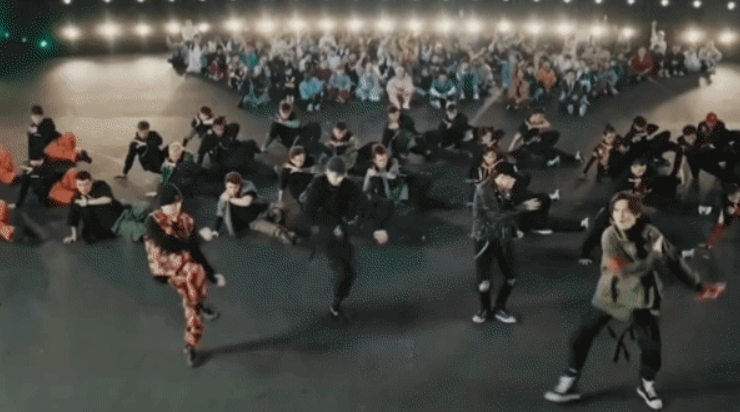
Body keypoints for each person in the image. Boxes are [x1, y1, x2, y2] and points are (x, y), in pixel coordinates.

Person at [544, 191, 722, 410]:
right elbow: (625, 270)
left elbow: (674, 261)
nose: (620, 215)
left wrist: (699, 286)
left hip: (641, 297)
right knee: (582, 334)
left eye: (626, 211)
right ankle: (569, 380)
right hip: (610, 294)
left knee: (651, 346)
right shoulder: (609, 235)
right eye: (616, 211)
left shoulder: (652, 234)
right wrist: (653, 256)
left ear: (637, 214)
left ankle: (647, 385)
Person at [144, 184, 226, 367]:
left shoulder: (187, 221)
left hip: (186, 268)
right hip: (164, 268)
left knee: (194, 284)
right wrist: (200, 239)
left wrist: (213, 275)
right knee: (193, 280)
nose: (173, 209)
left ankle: (192, 339)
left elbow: (195, 252)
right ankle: (197, 312)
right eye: (168, 206)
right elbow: (169, 245)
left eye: (176, 204)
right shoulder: (153, 222)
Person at [471, 162, 541, 324]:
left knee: (511, 276)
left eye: (513, 180)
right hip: (485, 238)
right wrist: (523, 208)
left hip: (503, 236)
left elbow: (507, 209)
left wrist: (515, 228)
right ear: (499, 176)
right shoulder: (483, 190)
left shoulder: (505, 189)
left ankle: (500, 307)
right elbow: (494, 215)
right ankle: (485, 310)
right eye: (509, 179)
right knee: (484, 282)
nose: (511, 183)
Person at [303, 157, 367, 319]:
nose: (338, 180)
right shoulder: (318, 185)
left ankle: (338, 295)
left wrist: (351, 216)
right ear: (327, 173)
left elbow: (361, 200)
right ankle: (335, 306)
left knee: (349, 264)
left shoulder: (346, 185)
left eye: (341, 177)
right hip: (323, 228)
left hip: (341, 227)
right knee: (346, 270)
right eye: (334, 176)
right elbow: (310, 213)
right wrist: (333, 225)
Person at [199, 172, 296, 244]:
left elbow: (246, 202)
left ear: (240, 185)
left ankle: (283, 226)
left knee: (280, 210)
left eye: (235, 187)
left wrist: (229, 198)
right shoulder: (223, 200)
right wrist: (215, 230)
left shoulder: (247, 186)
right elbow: (220, 214)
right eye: (230, 187)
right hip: (253, 221)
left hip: (263, 210)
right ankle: (286, 235)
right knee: (273, 230)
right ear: (226, 186)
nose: (233, 190)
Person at [63, 171, 124, 244]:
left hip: (113, 223)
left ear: (92, 182)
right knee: (81, 207)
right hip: (96, 232)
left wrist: (88, 202)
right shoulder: (76, 198)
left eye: (86, 184)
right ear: (76, 184)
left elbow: (108, 199)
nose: (83, 188)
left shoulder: (101, 185)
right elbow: (73, 218)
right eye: (80, 185)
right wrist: (74, 236)